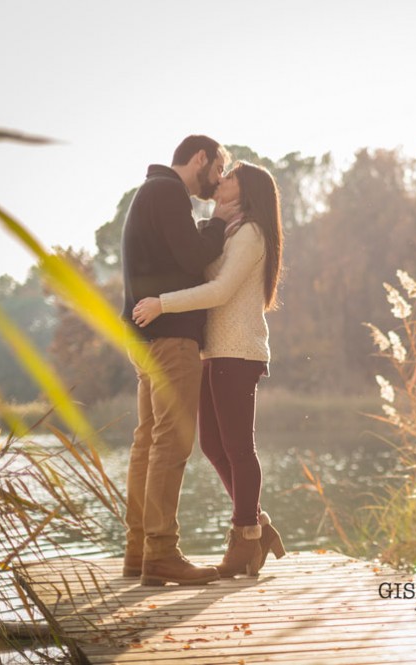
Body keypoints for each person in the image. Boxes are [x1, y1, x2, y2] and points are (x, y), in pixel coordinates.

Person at [132, 161, 286, 578]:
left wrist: (162, 302)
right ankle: (257, 526)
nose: (221, 180)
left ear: (246, 188)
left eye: (230, 175)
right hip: (213, 352)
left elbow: (218, 291)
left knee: (237, 447)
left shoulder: (252, 233)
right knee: (213, 447)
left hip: (239, 351)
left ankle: (245, 537)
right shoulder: (230, 230)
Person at [121, 135, 240, 586]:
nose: (217, 179)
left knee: (148, 442)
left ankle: (139, 552)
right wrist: (218, 221)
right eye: (218, 168)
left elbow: (176, 259)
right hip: (170, 338)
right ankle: (162, 554)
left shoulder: (149, 192)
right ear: (200, 158)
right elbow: (193, 255)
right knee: (171, 444)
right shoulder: (168, 192)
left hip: (144, 337)